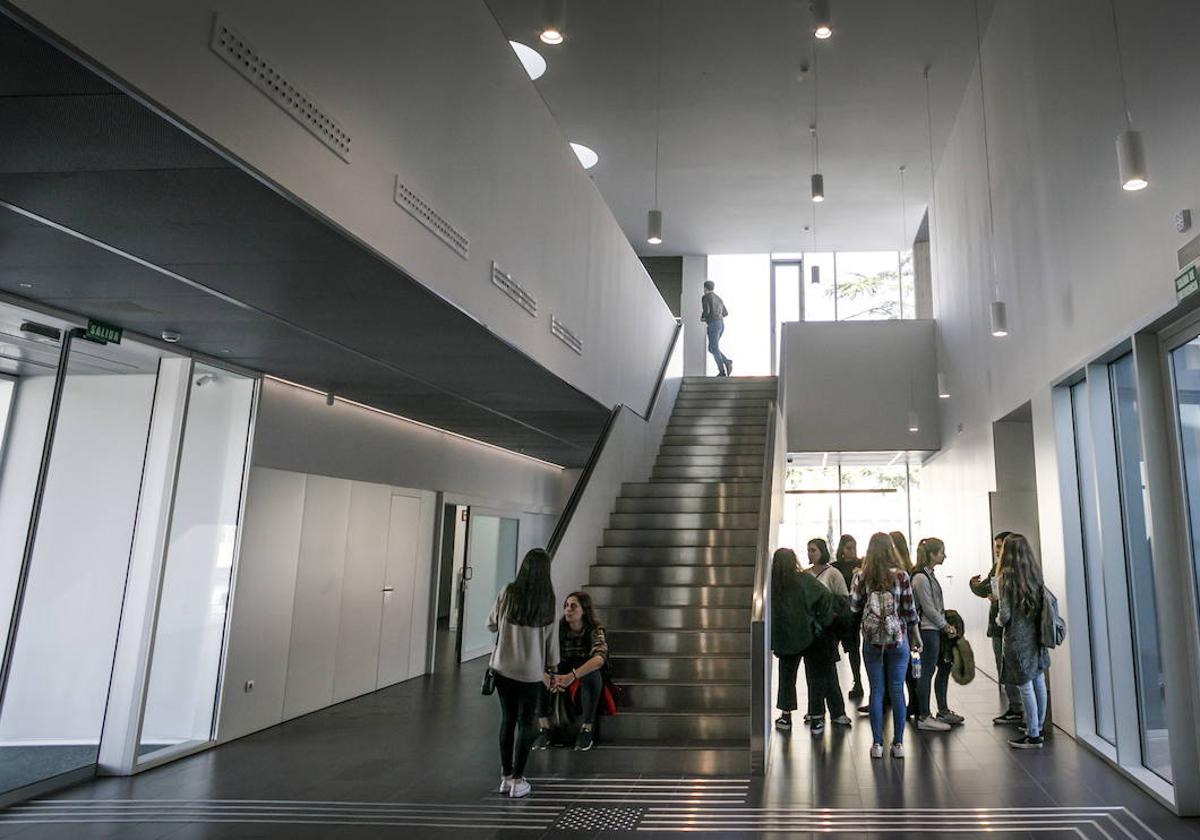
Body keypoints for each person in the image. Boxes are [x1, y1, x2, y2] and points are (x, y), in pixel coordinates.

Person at [487, 548, 558, 798]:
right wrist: (552, 668)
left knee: (507, 720)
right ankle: (519, 779)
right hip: (530, 673)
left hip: (503, 668)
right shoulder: (547, 599)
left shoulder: (508, 592)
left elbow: (491, 623)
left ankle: (505, 777)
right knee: (526, 723)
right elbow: (550, 644)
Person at [850, 532, 921, 759]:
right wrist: (916, 636)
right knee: (897, 690)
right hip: (898, 640)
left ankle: (877, 744)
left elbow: (854, 607)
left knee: (877, 691)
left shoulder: (862, 576)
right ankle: (898, 744)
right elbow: (910, 612)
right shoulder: (901, 576)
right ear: (891, 550)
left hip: (872, 641)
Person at [771, 547, 844, 734]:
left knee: (786, 677)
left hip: (785, 639)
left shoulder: (772, 585)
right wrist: (822, 621)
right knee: (815, 677)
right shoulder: (803, 579)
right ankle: (816, 717)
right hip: (811, 636)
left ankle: (786, 715)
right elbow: (826, 596)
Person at [532, 591, 609, 752]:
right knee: (537, 676)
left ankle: (587, 729)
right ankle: (544, 728)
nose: (568, 610)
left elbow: (599, 659)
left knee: (593, 675)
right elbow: (537, 655)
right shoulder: (558, 629)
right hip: (561, 667)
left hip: (582, 668)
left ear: (584, 610)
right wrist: (547, 676)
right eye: (566, 606)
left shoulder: (594, 629)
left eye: (573, 606)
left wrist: (571, 676)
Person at [996, 534, 1052, 749]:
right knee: (1038, 680)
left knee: (1025, 685)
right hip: (1036, 636)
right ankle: (1037, 727)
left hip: (1017, 640)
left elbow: (1005, 614)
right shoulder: (1035, 575)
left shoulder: (1006, 579)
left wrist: (997, 620)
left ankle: (1033, 734)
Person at [970, 531, 1024, 724]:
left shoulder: (1019, 571)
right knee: (1003, 668)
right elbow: (985, 589)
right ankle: (1015, 707)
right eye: (996, 548)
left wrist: (1000, 599)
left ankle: (1022, 712)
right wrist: (974, 585)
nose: (997, 551)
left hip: (1012, 626)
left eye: (1000, 547)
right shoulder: (996, 568)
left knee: (1018, 670)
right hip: (998, 624)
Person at [910, 538, 964, 730]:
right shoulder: (921, 578)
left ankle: (941, 710)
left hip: (933, 630)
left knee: (938, 668)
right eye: (941, 552)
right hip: (927, 631)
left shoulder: (928, 575)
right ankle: (924, 715)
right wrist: (946, 626)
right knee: (926, 672)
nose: (944, 555)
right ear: (932, 555)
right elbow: (929, 609)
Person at [804, 539, 851, 729]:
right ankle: (825, 711)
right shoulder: (805, 575)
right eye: (808, 550)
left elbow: (843, 600)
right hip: (809, 630)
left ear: (822, 551)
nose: (810, 554)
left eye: (813, 550)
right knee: (814, 672)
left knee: (827, 671)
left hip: (827, 630)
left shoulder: (833, 574)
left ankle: (828, 711)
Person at [831, 534, 864, 699]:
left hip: (854, 613)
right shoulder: (834, 566)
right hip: (839, 613)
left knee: (854, 649)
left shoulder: (861, 565)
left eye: (854, 548)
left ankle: (857, 681)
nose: (852, 551)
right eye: (849, 548)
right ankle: (835, 684)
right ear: (842, 549)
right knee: (835, 648)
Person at [700, 279, 732, 376]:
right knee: (712, 348)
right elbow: (725, 313)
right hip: (721, 324)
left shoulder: (706, 297)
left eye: (704, 288)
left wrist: (703, 317)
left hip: (713, 324)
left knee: (714, 347)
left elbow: (706, 311)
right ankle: (727, 361)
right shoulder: (719, 298)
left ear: (705, 288)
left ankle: (722, 371)